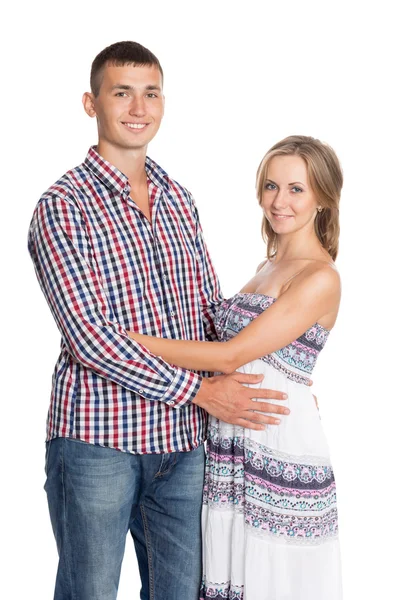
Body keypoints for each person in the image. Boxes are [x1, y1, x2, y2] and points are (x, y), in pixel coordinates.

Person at [27, 41, 288, 600]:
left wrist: (282, 369)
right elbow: (89, 339)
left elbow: (205, 313)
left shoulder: (178, 199)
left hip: (184, 447)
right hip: (99, 441)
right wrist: (200, 391)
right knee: (88, 593)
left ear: (163, 104)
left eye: (150, 93)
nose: (138, 107)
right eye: (122, 93)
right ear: (90, 104)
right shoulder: (62, 206)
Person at [127, 135, 343, 599]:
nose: (278, 201)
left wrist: (126, 340)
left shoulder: (319, 275)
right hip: (231, 438)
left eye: (296, 189)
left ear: (323, 198)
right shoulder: (267, 267)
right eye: (271, 185)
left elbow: (230, 355)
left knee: (272, 579)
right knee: (229, 575)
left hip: (276, 441)